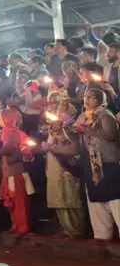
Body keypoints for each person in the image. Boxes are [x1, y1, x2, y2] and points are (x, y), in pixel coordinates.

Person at [72, 87, 120, 240]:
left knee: (115, 201)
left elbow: (110, 135)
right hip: (92, 165)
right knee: (96, 203)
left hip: (108, 163)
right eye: (86, 96)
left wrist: (85, 130)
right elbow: (79, 141)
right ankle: (102, 237)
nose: (87, 99)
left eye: (92, 97)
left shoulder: (105, 115)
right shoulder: (82, 116)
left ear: (100, 100)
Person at [40, 102, 86, 238]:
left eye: (63, 110)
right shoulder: (53, 127)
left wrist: (55, 144)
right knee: (59, 198)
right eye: (58, 110)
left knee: (71, 198)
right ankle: (66, 228)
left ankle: (77, 229)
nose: (59, 112)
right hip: (54, 166)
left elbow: (73, 145)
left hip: (67, 166)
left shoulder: (72, 127)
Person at [0, 107, 34, 235]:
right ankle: (15, 225)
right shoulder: (6, 132)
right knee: (11, 201)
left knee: (18, 201)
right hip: (9, 172)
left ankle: (22, 227)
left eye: (0, 117)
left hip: (15, 172)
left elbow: (6, 150)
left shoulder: (12, 133)